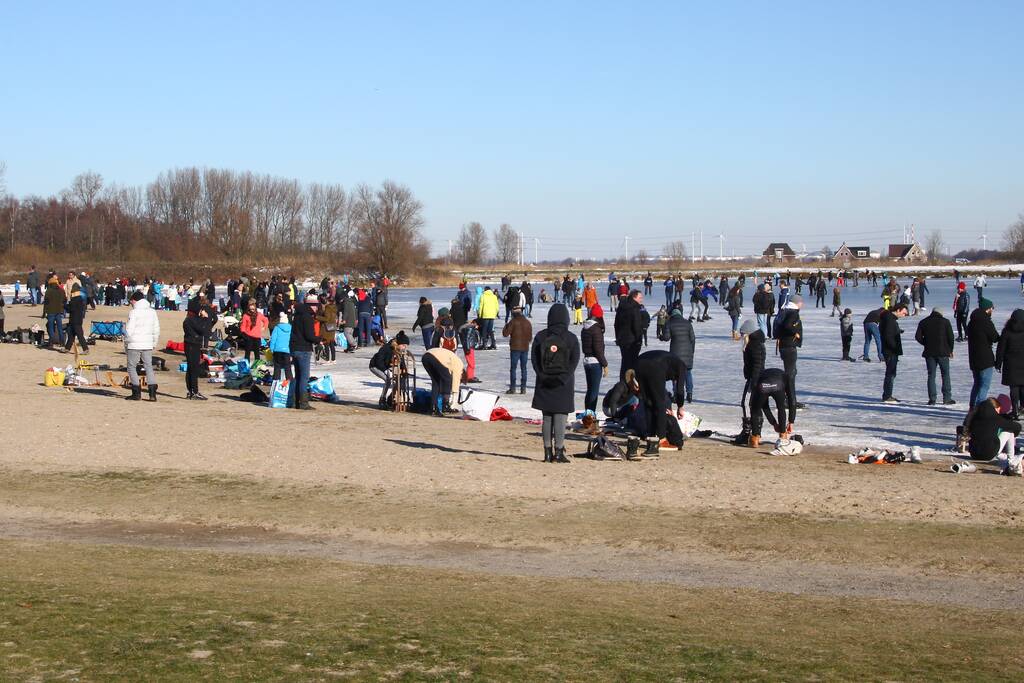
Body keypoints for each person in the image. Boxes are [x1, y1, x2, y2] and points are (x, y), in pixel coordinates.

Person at [531, 303, 580, 463]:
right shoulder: (571, 338)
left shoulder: (540, 336)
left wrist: (542, 376)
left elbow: (534, 361)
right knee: (560, 417)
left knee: (546, 417)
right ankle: (559, 452)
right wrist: (563, 378)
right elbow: (574, 361)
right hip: (563, 384)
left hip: (544, 382)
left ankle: (546, 453)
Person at [634, 350, 688, 457]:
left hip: (639, 363)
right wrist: (680, 406)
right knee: (660, 404)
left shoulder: (672, 360)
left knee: (648, 402)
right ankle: (662, 439)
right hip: (655, 367)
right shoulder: (682, 367)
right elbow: (680, 390)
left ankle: (650, 436)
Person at [962, 396, 1021, 474]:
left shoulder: (974, 418)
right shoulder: (995, 418)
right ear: (994, 408)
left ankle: (1004, 456)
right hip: (989, 455)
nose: (999, 413)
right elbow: (1017, 426)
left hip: (974, 454)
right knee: (1009, 432)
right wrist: (1015, 435)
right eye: (998, 410)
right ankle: (1011, 459)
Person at [915, 307, 955, 405]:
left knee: (931, 375)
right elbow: (951, 337)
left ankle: (932, 399)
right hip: (943, 352)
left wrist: (926, 343)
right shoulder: (945, 322)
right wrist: (950, 350)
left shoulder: (923, 322)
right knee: (945, 375)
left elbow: (918, 337)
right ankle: (947, 398)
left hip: (929, 353)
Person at [124, 290, 160, 402]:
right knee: (148, 366)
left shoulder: (133, 312)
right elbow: (156, 329)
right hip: (148, 343)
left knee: (131, 367)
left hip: (134, 343)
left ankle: (136, 392)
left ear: (134, 300)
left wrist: (126, 342)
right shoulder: (152, 312)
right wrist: (154, 342)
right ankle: (152, 394)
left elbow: (129, 330)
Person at [748, 367, 796, 449]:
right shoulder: (786, 376)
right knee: (781, 408)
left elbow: (764, 406)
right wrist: (791, 421)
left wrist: (773, 423)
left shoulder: (761, 375)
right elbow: (792, 399)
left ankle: (755, 438)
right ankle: (783, 435)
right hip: (778, 384)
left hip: (763, 385)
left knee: (755, 409)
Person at [289, 294, 321, 410]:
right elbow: (309, 335)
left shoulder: (297, 315)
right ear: (312, 306)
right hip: (303, 349)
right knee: (304, 377)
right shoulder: (307, 317)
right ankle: (303, 403)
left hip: (295, 348)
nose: (317, 308)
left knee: (297, 376)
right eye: (316, 305)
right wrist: (318, 339)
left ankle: (294, 401)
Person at [660, 304, 696, 402]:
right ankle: (690, 394)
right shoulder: (688, 323)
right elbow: (693, 339)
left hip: (675, 354)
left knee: (675, 375)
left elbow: (666, 337)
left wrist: (662, 334)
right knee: (688, 373)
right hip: (688, 353)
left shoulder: (670, 323)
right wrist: (691, 352)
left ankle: (676, 395)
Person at [967, 297, 999, 408]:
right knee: (984, 386)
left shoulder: (972, 322)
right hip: (985, 359)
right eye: (992, 308)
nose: (992, 310)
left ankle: (972, 407)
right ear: (987, 309)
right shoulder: (986, 322)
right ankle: (979, 409)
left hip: (973, 358)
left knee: (977, 384)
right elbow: (995, 337)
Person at [774, 294, 804, 410]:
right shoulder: (792, 312)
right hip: (789, 346)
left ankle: (790, 399)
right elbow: (787, 325)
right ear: (796, 302)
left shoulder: (785, 311)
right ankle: (790, 401)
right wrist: (795, 333)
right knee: (790, 374)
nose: (802, 304)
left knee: (791, 372)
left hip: (784, 345)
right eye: (800, 302)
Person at [369, 331, 411, 407]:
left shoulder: (399, 350)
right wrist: (385, 370)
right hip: (375, 366)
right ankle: (382, 399)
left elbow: (401, 361)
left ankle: (391, 397)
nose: (405, 347)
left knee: (399, 379)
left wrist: (404, 370)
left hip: (386, 366)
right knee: (388, 379)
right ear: (399, 343)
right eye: (404, 345)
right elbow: (379, 360)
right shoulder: (387, 348)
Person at [183, 299, 214, 400]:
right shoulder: (191, 319)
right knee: (193, 369)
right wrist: (205, 318)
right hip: (192, 345)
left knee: (191, 368)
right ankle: (194, 391)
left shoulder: (191, 319)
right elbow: (203, 329)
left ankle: (191, 391)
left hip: (192, 345)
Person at [996, 309, 1024, 417]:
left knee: (1014, 388)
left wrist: (998, 363)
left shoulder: (1007, 331)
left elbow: (1001, 349)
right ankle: (1023, 407)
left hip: (1011, 364)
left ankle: (1015, 410)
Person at [581, 304, 608, 415]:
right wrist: (605, 364)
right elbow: (598, 350)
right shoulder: (596, 329)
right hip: (595, 362)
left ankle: (588, 415)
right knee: (594, 392)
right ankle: (590, 417)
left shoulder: (585, 328)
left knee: (590, 390)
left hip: (587, 361)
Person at [422, 346, 464, 417]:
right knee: (448, 379)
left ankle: (433, 407)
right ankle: (445, 406)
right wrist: (454, 394)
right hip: (435, 357)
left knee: (436, 382)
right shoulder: (460, 365)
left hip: (426, 357)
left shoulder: (452, 361)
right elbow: (455, 381)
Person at [879, 303, 908, 403]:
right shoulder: (890, 320)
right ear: (898, 310)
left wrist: (898, 331)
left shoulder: (889, 319)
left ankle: (887, 395)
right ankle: (887, 396)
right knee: (890, 374)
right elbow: (888, 336)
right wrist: (894, 348)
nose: (904, 315)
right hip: (890, 351)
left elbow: (889, 332)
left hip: (889, 350)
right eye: (904, 313)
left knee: (891, 373)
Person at [614, 290, 645, 380]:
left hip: (622, 340)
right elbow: (637, 325)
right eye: (640, 298)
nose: (641, 300)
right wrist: (639, 340)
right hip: (632, 342)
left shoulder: (621, 307)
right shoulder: (634, 308)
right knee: (631, 364)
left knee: (624, 363)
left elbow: (616, 324)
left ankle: (622, 383)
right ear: (634, 297)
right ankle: (629, 386)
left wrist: (618, 337)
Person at [502, 306, 532, 394]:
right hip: (525, 348)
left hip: (515, 348)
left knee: (513, 368)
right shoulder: (527, 322)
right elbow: (530, 338)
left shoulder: (513, 322)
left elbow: (505, 334)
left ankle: (513, 388)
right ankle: (523, 389)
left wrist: (506, 325)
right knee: (524, 369)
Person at [268, 311, 293, 395]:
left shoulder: (277, 328)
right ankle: (290, 387)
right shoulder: (291, 328)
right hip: (287, 351)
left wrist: (271, 349)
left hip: (277, 351)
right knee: (288, 369)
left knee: (277, 369)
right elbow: (291, 340)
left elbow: (273, 339)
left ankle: (275, 387)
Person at [62, 283, 89, 354]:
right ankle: (67, 348)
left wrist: (65, 306)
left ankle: (86, 349)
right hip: (76, 319)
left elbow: (71, 309)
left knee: (80, 335)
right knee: (71, 335)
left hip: (75, 320)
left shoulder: (75, 299)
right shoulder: (79, 298)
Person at [42, 276, 67, 348]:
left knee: (51, 327)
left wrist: (44, 313)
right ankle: (62, 342)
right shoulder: (61, 290)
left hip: (51, 311)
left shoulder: (48, 291)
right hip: (59, 311)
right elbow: (65, 300)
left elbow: (46, 303)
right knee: (59, 327)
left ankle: (51, 342)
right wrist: (62, 306)